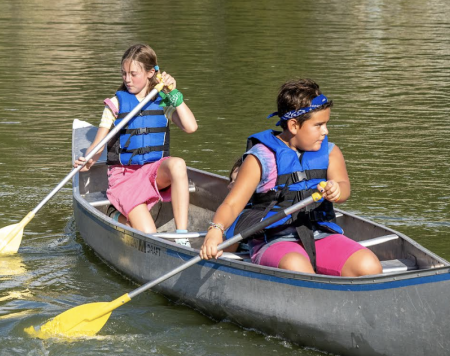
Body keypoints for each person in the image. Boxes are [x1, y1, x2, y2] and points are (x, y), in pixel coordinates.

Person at [200, 79, 382, 277]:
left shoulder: (330, 152)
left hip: (320, 234)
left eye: (326, 124)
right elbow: (232, 204)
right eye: (318, 125)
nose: (325, 131)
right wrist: (215, 230)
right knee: (297, 267)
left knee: (369, 265)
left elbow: (344, 187)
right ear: (294, 125)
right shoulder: (260, 158)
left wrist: (337, 189)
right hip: (273, 239)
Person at [74, 43, 198, 245]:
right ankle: (116, 215)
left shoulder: (162, 101)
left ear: (151, 73)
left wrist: (175, 95)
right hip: (124, 179)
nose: (127, 80)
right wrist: (88, 160)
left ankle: (182, 235)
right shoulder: (116, 104)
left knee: (177, 164)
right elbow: (98, 145)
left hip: (152, 172)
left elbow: (191, 127)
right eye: (124, 74)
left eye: (133, 74)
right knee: (149, 236)